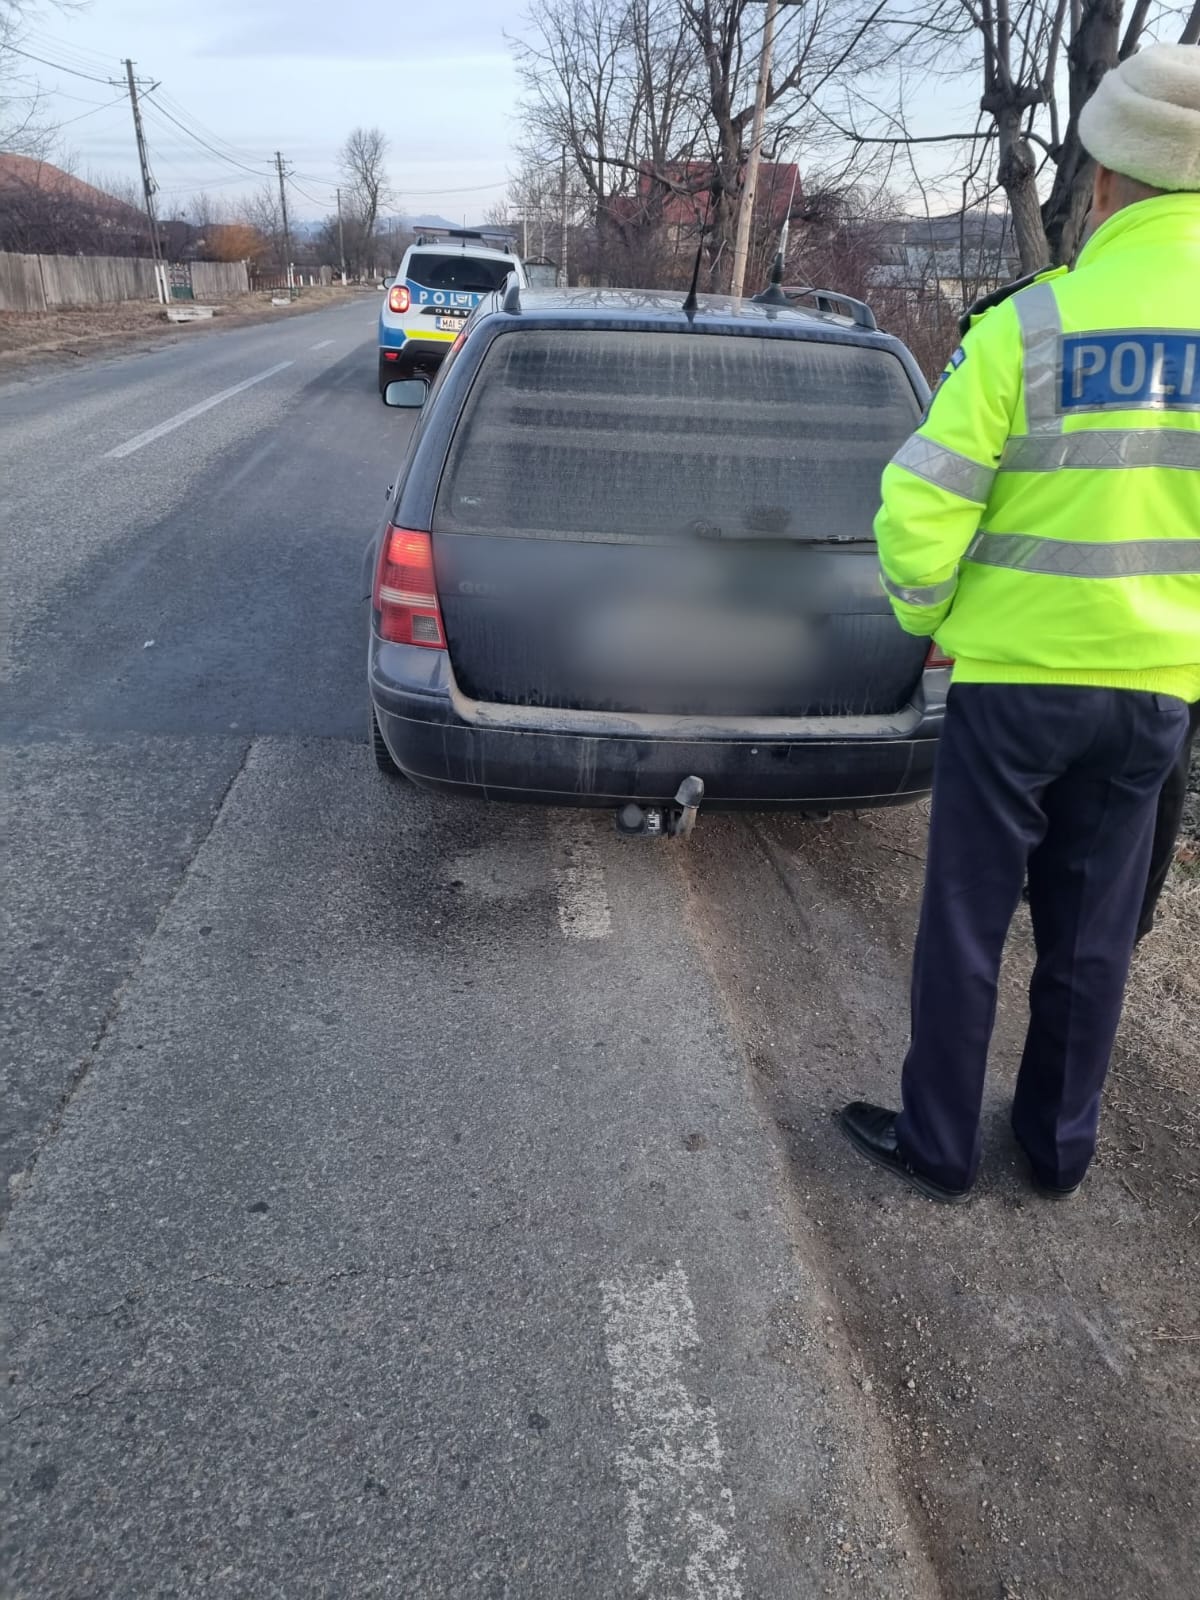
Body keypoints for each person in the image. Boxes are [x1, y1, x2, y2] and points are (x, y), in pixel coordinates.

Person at [839, 42, 1200, 1204]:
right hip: (1158, 693)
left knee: (967, 922)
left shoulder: (1027, 330)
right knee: (1094, 931)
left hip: (1011, 687)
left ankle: (939, 1145)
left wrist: (931, 616)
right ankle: (1056, 1148)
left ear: (1106, 179)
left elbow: (920, 506)